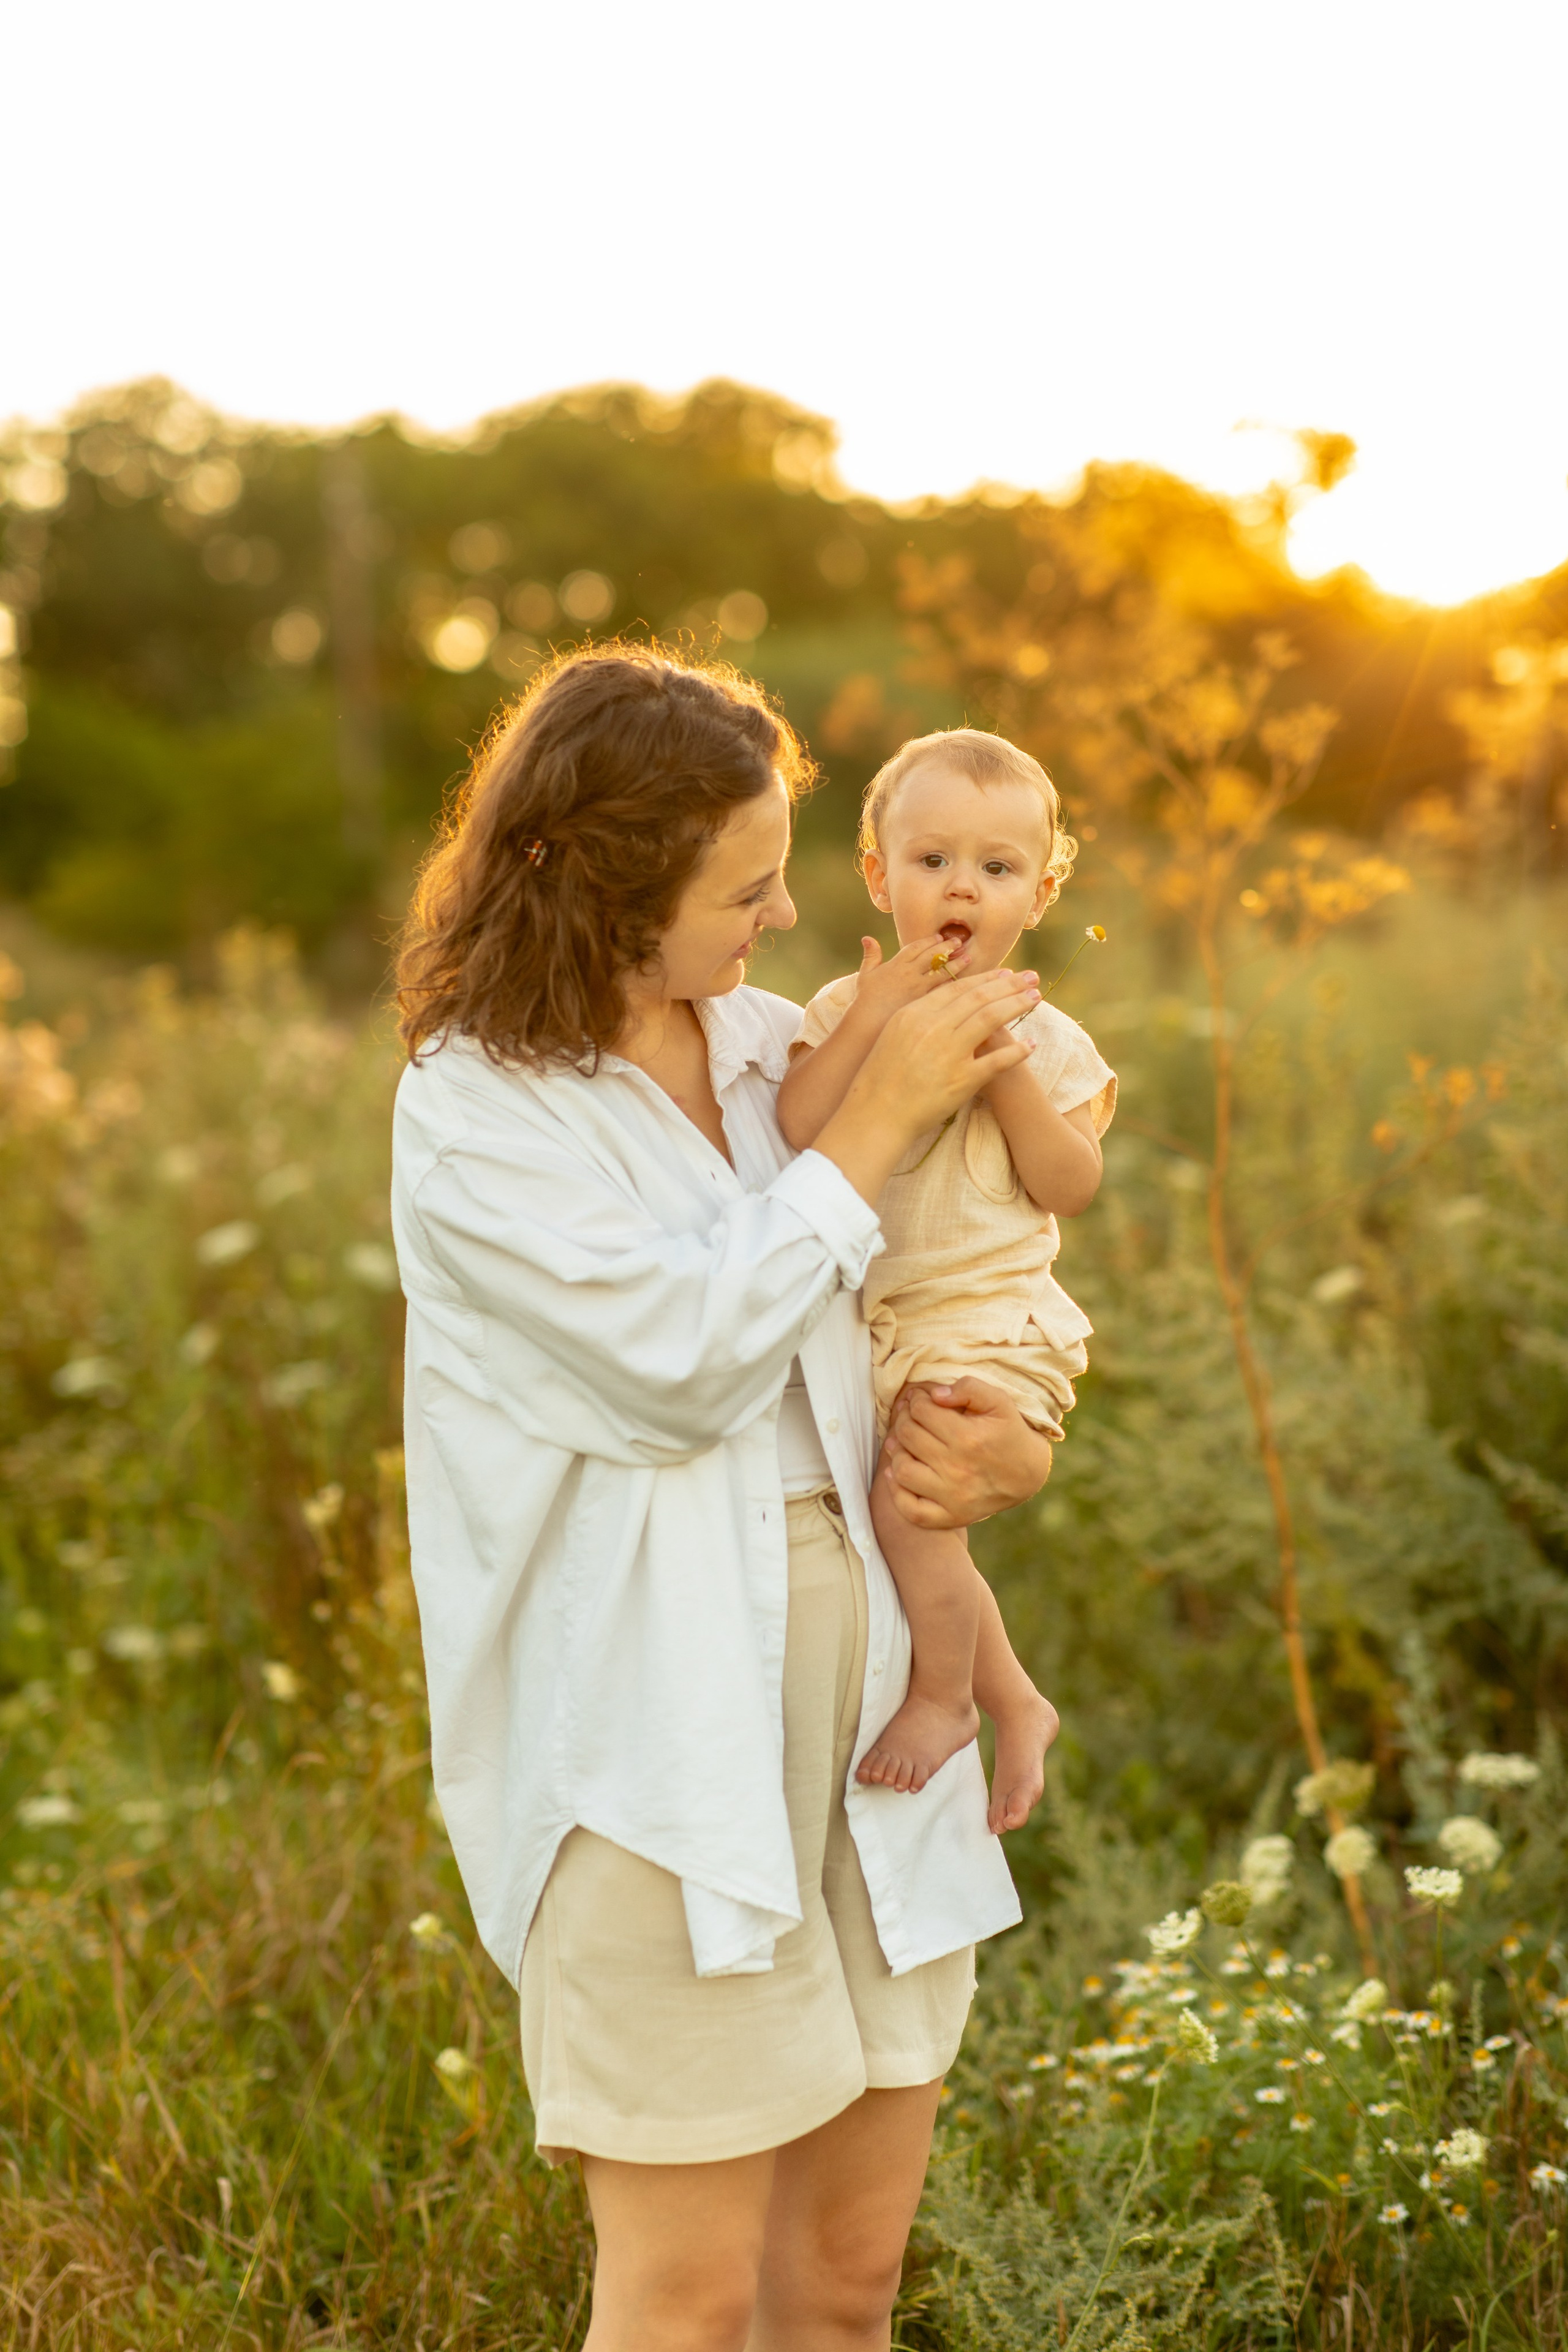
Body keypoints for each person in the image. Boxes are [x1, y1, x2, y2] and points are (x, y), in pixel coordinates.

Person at [391, 648, 1058, 2351]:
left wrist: (1015, 1457)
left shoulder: (779, 1048)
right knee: (685, 2297)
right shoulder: (478, 1116)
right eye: (744, 889)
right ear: (603, 887)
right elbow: (678, 1365)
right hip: (654, 1734)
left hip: (877, 1694)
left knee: (839, 2290)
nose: (785, 914)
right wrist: (871, 1124)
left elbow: (966, 1281)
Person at [777, 729, 1115, 1826]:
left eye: (998, 867)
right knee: (908, 1514)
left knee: (911, 1506)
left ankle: (945, 1700)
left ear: (1041, 894)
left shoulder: (1050, 1042)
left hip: (994, 1321)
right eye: (932, 861)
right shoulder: (844, 1009)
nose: (962, 886)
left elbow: (1070, 1184)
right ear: (880, 877)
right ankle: (1017, 1700)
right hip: (891, 1325)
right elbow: (798, 1128)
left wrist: (1004, 1070)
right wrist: (878, 1023)